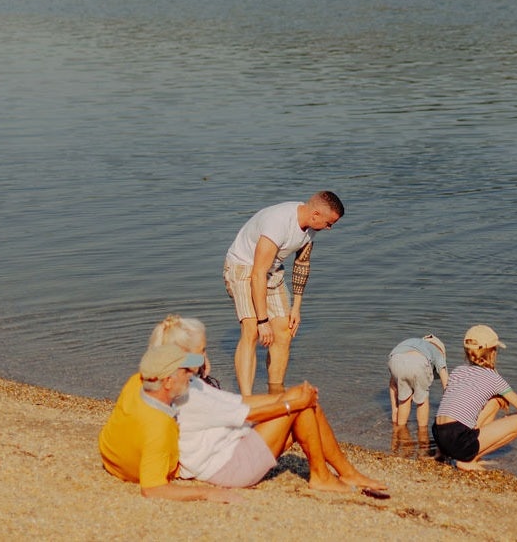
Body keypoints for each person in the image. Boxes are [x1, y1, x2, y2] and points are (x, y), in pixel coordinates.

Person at [148, 314, 386, 496]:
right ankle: (323, 476)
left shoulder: (186, 382)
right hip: (231, 467)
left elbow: (239, 401)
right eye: (202, 351)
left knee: (302, 400)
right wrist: (290, 403)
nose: (205, 357)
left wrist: (288, 397)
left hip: (231, 450)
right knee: (300, 404)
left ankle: (345, 473)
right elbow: (247, 413)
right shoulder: (187, 395)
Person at [223, 191, 344, 395]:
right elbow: (257, 274)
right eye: (329, 223)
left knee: (284, 332)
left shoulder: (311, 227)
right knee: (251, 330)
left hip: (272, 270)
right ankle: (247, 399)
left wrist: (296, 307)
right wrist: (263, 321)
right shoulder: (278, 223)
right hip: (243, 268)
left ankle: (275, 392)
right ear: (315, 214)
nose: (329, 228)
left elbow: (302, 264)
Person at [98, 343, 239, 502]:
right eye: (185, 371)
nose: (191, 375)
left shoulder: (136, 382)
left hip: (110, 455)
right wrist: (207, 493)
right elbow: (152, 489)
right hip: (129, 468)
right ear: (168, 382)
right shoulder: (159, 428)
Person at [432, 325, 517, 471]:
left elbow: (450, 403)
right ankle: (468, 461)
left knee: (494, 402)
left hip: (438, 434)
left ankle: (444, 454)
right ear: (492, 352)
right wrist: (506, 420)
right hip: (458, 440)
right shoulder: (494, 378)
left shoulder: (458, 371)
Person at [388, 334, 449, 428]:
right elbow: (447, 386)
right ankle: (422, 431)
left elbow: (392, 385)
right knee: (422, 401)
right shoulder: (437, 352)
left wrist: (394, 409)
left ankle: (400, 429)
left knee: (404, 400)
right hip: (419, 363)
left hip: (395, 360)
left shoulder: (412, 342)